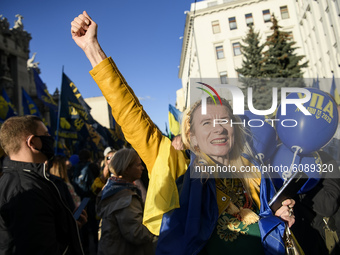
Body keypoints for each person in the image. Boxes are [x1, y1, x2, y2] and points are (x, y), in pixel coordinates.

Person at [71, 11, 295, 254]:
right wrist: (92, 48)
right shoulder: (177, 165)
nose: (218, 127)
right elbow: (129, 113)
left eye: (224, 120)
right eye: (206, 122)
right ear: (193, 136)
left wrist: (278, 214)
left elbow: (264, 216)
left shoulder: (251, 170)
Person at [0, 115, 86, 254]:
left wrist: (70, 225)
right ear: (32, 142)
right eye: (46, 134)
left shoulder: (28, 180)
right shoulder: (26, 190)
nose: (50, 138)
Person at [96, 148, 155, 255]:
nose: (142, 168)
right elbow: (136, 233)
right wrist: (157, 230)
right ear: (127, 168)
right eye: (138, 165)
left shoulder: (111, 187)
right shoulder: (125, 197)